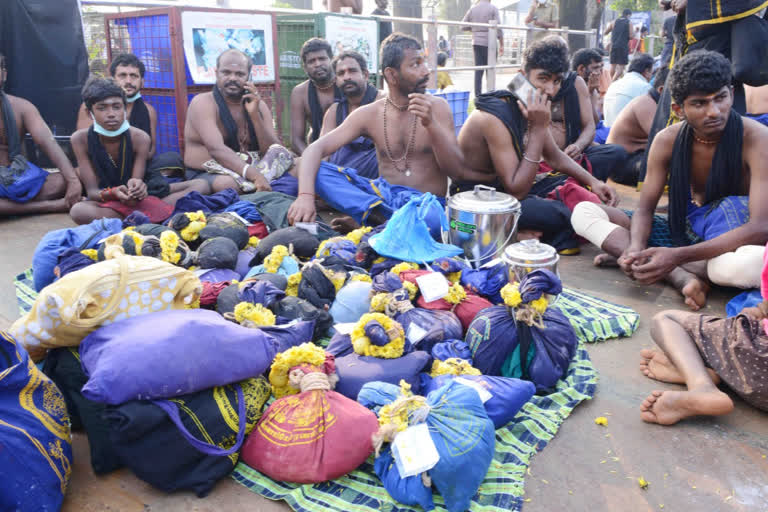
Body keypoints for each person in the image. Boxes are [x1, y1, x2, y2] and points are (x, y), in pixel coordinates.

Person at [571, 51, 768, 310]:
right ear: (678, 108)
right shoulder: (667, 140)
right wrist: (637, 248)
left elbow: (760, 227)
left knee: (746, 266)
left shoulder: (757, 138)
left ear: (731, 93)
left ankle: (665, 264)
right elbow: (644, 208)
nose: (714, 111)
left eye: (720, 98)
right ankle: (673, 272)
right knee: (583, 212)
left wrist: (676, 255)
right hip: (686, 229)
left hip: (733, 241)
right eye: (699, 103)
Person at [287, 33, 481, 230]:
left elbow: (456, 172)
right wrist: (305, 196)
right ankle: (380, 217)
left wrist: (431, 124)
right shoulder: (370, 113)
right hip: (384, 199)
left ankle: (376, 220)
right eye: (416, 64)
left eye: (424, 63)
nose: (426, 71)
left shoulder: (438, 107)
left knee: (452, 224)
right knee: (311, 167)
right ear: (391, 75)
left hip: (426, 206)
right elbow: (314, 150)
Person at [456, 40, 617, 253]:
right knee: (563, 213)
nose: (551, 89)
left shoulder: (529, 99)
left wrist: (594, 182)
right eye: (543, 78)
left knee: (577, 187)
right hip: (479, 201)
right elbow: (517, 189)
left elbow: (554, 156)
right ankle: (514, 235)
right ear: (523, 75)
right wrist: (539, 128)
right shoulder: (493, 116)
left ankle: (526, 233)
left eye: (557, 81)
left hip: (509, 192)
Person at [69, 78, 208, 224]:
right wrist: (114, 193)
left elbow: (136, 186)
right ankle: (154, 216)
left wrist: (137, 188)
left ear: (124, 107)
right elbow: (92, 192)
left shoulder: (140, 137)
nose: (111, 114)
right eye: (102, 108)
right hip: (108, 199)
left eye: (116, 107)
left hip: (144, 197)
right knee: (78, 211)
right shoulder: (80, 139)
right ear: (89, 111)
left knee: (201, 185)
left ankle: (131, 219)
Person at [184, 49, 287, 194]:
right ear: (216, 73)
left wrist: (255, 117)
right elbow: (216, 149)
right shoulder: (203, 102)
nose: (232, 78)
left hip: (255, 169)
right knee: (228, 185)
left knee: (301, 165)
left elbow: (272, 151)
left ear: (248, 76)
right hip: (211, 173)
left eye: (239, 74)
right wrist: (255, 176)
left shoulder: (259, 105)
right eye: (226, 72)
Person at [532, 37, 626, 185]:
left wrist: (578, 146)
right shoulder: (527, 83)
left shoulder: (575, 82)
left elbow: (590, 125)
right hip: (539, 157)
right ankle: (566, 181)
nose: (550, 88)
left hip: (571, 154)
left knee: (616, 152)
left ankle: (575, 182)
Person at [0, 52, 81, 216]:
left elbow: (48, 143)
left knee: (72, 176)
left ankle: (12, 207)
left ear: (4, 74)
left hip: (19, 180)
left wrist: (73, 181)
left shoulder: (22, 107)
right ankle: (52, 206)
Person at [76, 54, 158, 158]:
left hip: (138, 166)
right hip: (101, 167)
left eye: (134, 76)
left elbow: (151, 149)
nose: (128, 81)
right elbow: (86, 147)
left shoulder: (149, 111)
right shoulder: (91, 107)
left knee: (171, 160)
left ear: (142, 82)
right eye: (122, 75)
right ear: (112, 79)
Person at [320, 50, 383, 180]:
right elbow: (322, 154)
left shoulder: (382, 103)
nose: (347, 77)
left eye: (352, 71)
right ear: (336, 80)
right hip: (338, 182)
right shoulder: (334, 111)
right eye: (341, 73)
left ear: (365, 75)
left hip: (374, 184)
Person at [605, 67, 668, 186]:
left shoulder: (657, 104)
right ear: (662, 90)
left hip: (636, 156)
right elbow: (665, 141)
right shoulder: (645, 103)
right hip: (623, 165)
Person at [290, 38, 342, 155]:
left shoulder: (345, 84)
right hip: (317, 152)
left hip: (349, 150)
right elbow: (296, 141)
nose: (317, 64)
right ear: (305, 67)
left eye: (322, 59)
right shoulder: (299, 93)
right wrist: (313, 160)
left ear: (332, 60)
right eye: (312, 61)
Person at [462, 0, 504, 97]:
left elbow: (463, 26)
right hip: (491, 43)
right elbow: (499, 28)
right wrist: (502, 44)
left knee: (478, 70)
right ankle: (490, 95)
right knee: (490, 70)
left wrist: (474, 29)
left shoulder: (473, 8)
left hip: (476, 43)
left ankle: (478, 96)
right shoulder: (493, 8)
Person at [603, 53, 654, 128]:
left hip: (607, 131)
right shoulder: (645, 87)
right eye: (652, 72)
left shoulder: (615, 84)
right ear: (647, 72)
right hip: (625, 135)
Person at [571, 48, 604, 125]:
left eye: (600, 67)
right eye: (595, 68)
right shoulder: (571, 87)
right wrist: (590, 92)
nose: (599, 72)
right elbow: (594, 122)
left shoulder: (592, 88)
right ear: (581, 69)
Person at [605, 9, 632, 81]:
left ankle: (611, 81)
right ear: (628, 15)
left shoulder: (614, 22)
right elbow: (631, 36)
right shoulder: (629, 22)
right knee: (621, 67)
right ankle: (612, 83)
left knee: (613, 65)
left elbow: (606, 32)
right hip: (623, 47)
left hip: (613, 46)